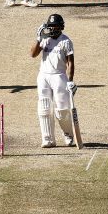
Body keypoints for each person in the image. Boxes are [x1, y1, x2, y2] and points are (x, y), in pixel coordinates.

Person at [30, 13, 77, 148]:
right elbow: (33, 54)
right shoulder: (45, 39)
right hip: (43, 76)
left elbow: (70, 63)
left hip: (59, 76)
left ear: (61, 27)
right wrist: (38, 39)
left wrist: (70, 80)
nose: (53, 29)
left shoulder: (66, 41)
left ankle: (68, 134)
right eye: (50, 26)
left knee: (62, 109)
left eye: (55, 26)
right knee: (44, 108)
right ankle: (48, 139)